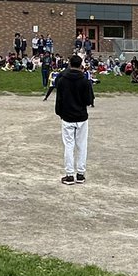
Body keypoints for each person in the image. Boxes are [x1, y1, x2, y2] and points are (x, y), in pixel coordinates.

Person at [53, 54, 95, 185]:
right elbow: (89, 100)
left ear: (70, 64)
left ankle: (69, 174)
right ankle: (81, 174)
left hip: (67, 117)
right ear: (81, 65)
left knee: (69, 146)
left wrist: (59, 112)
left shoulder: (62, 79)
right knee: (82, 145)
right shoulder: (85, 80)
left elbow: (59, 99)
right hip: (81, 117)